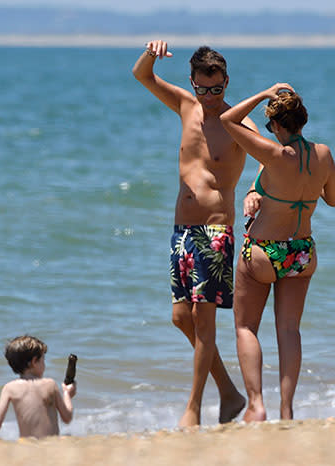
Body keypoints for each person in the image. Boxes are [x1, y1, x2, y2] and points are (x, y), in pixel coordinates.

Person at [132, 40, 254, 427]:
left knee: (203, 323)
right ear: (193, 83)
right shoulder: (186, 106)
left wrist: (254, 190)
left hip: (215, 231)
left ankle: (194, 410)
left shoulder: (238, 122)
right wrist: (151, 52)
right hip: (182, 231)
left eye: (216, 89)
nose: (210, 96)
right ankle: (230, 393)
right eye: (203, 89)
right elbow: (142, 75)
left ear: (226, 81)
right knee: (181, 319)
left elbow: (274, 155)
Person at [220, 83, 335, 422]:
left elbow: (229, 120)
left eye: (271, 124)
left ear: (276, 125)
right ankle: (287, 410)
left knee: (246, 327)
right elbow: (334, 199)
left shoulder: (274, 155)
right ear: (302, 120)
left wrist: (262, 95)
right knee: (289, 330)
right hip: (301, 251)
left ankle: (257, 406)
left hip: (264, 251)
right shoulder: (324, 154)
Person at [0, 335, 76, 439]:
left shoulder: (9, 388)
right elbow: (67, 417)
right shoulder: (50, 384)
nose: (44, 363)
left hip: (27, 448)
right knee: (68, 437)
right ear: (34, 362)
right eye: (43, 359)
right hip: (50, 446)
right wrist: (67, 394)